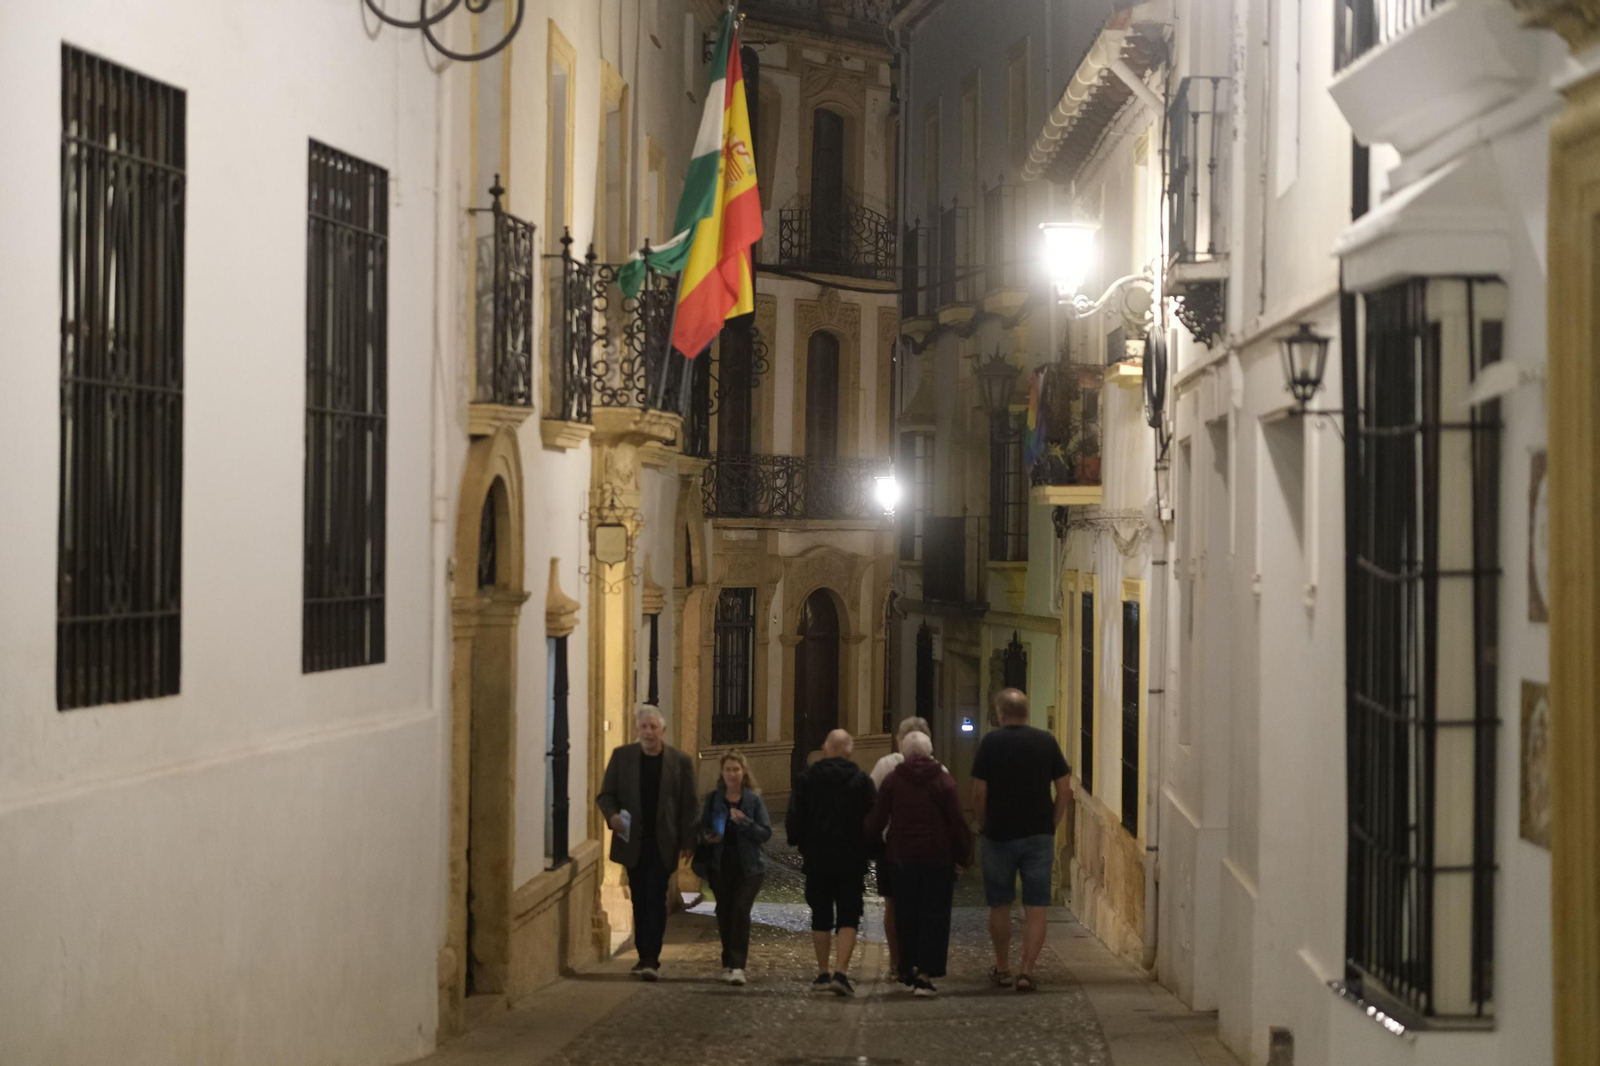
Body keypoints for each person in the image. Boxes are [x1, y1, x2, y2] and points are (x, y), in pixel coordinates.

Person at [971, 688, 1070, 993]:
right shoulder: (1046, 742)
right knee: (1036, 906)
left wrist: (984, 823)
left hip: (1000, 834)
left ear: (1000, 713)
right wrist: (1052, 822)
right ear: (1027, 712)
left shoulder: (991, 743)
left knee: (1000, 904)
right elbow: (1064, 787)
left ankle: (1003, 968)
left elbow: (979, 792)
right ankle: (1027, 971)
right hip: (1038, 833)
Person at [864, 731, 972, 998]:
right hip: (938, 857)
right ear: (930, 751)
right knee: (934, 915)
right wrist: (962, 858)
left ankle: (907, 968)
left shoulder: (892, 780)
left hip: (901, 857)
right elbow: (956, 822)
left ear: (905, 752)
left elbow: (876, 819)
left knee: (906, 913)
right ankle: (925, 973)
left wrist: (877, 848)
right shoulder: (944, 781)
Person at [596, 705, 699, 981]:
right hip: (633, 842)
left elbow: (689, 804)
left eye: (653, 727)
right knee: (640, 899)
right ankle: (644, 955)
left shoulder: (680, 762)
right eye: (644, 727)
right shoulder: (622, 758)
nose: (648, 732)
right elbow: (606, 795)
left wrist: (689, 840)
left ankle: (651, 957)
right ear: (637, 730)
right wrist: (613, 816)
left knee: (656, 896)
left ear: (663, 730)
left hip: (664, 842)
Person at [785, 729, 875, 997]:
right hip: (851, 861)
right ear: (849, 750)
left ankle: (823, 971)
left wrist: (803, 843)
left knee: (821, 915)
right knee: (849, 915)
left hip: (817, 860)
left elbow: (794, 822)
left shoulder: (806, 780)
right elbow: (873, 821)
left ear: (826, 749)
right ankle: (841, 972)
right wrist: (867, 850)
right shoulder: (862, 781)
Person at [869, 716, 938, 979]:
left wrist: (869, 838)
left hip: (891, 846)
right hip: (928, 847)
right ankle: (919, 960)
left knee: (893, 905)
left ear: (900, 740)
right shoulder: (938, 769)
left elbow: (872, 802)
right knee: (922, 904)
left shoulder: (885, 765)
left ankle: (897, 961)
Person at [697, 750, 772, 986]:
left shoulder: (753, 800)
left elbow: (765, 832)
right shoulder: (714, 799)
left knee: (740, 910)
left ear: (744, 772)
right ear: (722, 772)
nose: (732, 773)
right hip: (721, 864)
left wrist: (745, 822)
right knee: (725, 912)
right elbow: (702, 827)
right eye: (728, 769)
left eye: (736, 769)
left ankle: (738, 966)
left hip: (750, 867)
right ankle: (727, 962)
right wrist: (708, 837)